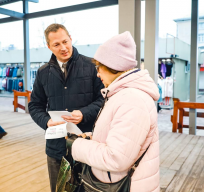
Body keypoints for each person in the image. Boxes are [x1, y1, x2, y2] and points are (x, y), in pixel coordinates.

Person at [68, 31, 160, 192]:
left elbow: (116, 158)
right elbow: (121, 139)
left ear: (113, 67)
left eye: (99, 67)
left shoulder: (132, 100)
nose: (97, 74)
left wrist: (76, 145)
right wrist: (91, 137)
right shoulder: (123, 94)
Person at [28, 23, 104, 192]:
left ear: (71, 38)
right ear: (48, 46)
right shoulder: (43, 72)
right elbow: (34, 105)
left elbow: (104, 100)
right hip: (56, 147)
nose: (63, 47)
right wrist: (46, 121)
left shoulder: (92, 66)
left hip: (87, 145)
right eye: (56, 44)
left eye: (65, 41)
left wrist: (84, 113)